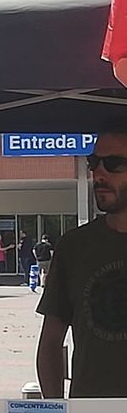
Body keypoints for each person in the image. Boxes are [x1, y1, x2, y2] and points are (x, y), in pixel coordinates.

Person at [36, 122, 127, 398]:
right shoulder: (74, 247)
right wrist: (56, 411)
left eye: (113, 164)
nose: (99, 173)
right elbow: (51, 341)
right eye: (94, 163)